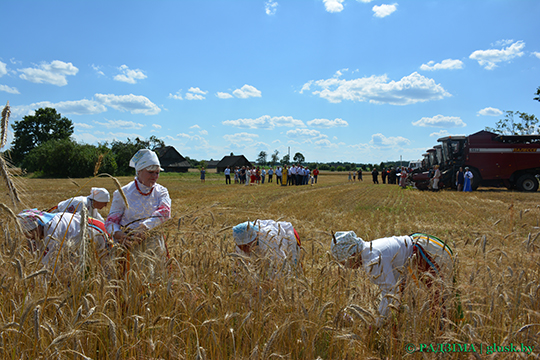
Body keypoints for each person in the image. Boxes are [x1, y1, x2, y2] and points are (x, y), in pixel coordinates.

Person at [331, 231, 454, 323]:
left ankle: (445, 336)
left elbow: (391, 292)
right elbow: (392, 288)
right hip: (414, 248)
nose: (346, 267)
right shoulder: (367, 250)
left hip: (424, 251)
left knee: (438, 296)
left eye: (344, 262)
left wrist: (376, 324)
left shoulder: (372, 260)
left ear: (351, 254)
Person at [105, 149, 172, 281]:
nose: (155, 176)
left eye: (157, 173)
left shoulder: (161, 191)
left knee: (154, 280)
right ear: (139, 171)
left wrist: (143, 228)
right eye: (150, 172)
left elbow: (165, 212)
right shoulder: (122, 193)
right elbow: (111, 222)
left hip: (153, 245)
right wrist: (119, 235)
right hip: (129, 245)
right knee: (129, 283)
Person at [18, 209, 110, 268]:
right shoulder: (40, 229)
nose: (26, 236)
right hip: (79, 234)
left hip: (96, 231)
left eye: (28, 232)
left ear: (36, 227)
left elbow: (52, 263)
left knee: (104, 266)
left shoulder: (53, 231)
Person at [233, 219, 302, 277]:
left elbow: (282, 267)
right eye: (241, 247)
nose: (244, 250)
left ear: (255, 239)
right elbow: (239, 269)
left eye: (246, 246)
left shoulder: (270, 241)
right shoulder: (240, 241)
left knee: (294, 269)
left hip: (289, 236)